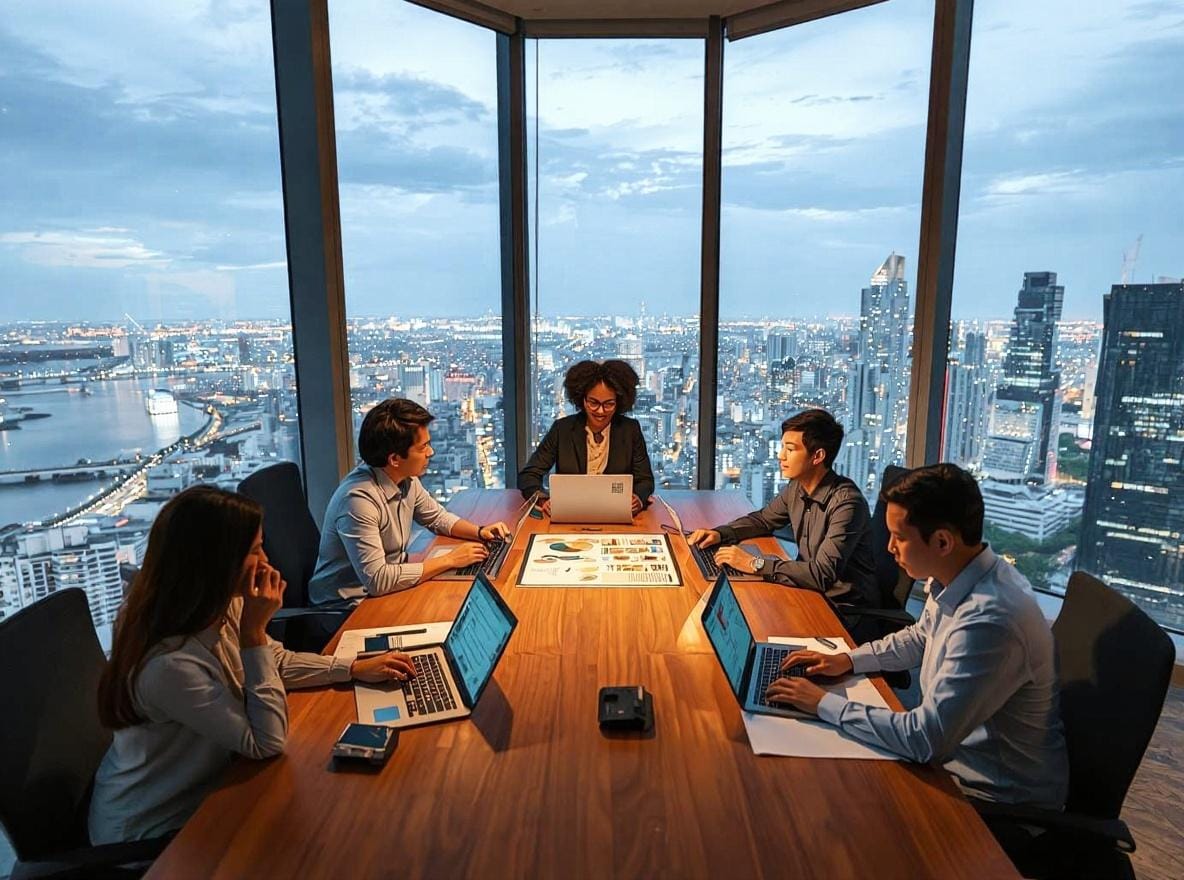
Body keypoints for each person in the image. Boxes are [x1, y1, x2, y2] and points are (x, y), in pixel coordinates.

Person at [90, 485, 416, 844]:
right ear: (216, 562)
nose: (266, 563)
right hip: (156, 828)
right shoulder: (170, 663)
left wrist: (351, 668)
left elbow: (275, 662)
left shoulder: (219, 604)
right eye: (255, 550)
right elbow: (266, 742)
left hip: (216, 784)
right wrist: (254, 633)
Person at [764, 463, 1068, 812]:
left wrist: (821, 703)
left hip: (992, 799)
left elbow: (923, 740)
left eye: (900, 537)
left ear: (942, 541)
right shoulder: (960, 576)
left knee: (821, 797)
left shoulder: (989, 621)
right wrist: (848, 659)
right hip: (951, 758)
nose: (889, 547)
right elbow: (920, 637)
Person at [688, 409, 878, 629]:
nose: (781, 456)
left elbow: (822, 575)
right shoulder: (798, 486)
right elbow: (764, 520)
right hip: (809, 592)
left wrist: (754, 564)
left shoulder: (847, 504)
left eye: (790, 449)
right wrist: (721, 533)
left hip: (843, 611)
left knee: (755, 623)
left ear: (817, 456)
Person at [309, 398, 509, 604]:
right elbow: (378, 580)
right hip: (347, 609)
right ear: (394, 459)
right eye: (423, 447)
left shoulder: (405, 479)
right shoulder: (358, 501)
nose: (430, 452)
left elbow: (437, 518)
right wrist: (450, 560)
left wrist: (479, 531)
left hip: (387, 590)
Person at [518, 359, 655, 517]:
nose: (601, 411)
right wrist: (543, 500)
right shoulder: (562, 429)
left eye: (609, 404)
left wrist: (637, 498)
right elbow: (528, 476)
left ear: (619, 402)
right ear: (582, 400)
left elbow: (645, 480)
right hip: (569, 514)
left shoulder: (630, 430)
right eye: (593, 403)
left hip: (615, 515)